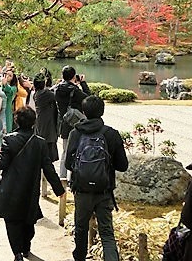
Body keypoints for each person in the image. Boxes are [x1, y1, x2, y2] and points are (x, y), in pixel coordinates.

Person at [0, 107, 66, 261]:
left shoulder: (9, 139)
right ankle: (26, 248)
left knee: (12, 222)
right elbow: (48, 168)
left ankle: (17, 253)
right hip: (30, 189)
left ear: (16, 120)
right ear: (34, 123)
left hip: (11, 188)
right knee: (28, 220)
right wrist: (59, 190)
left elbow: (1, 164)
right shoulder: (40, 143)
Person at [66, 95, 128, 261]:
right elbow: (123, 165)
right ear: (102, 111)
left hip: (82, 190)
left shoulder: (75, 133)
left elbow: (67, 164)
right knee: (107, 233)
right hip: (104, 190)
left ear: (84, 112)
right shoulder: (111, 134)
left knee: (81, 228)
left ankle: (79, 257)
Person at [55, 65, 91, 178]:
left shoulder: (57, 88)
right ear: (74, 76)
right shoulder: (74, 90)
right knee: (77, 151)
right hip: (76, 124)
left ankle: (62, 176)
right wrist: (83, 83)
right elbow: (89, 99)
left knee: (65, 151)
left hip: (64, 123)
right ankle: (73, 178)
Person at [32, 74, 59, 162]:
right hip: (47, 125)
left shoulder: (37, 94)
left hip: (40, 123)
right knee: (48, 153)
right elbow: (54, 93)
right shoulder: (46, 94)